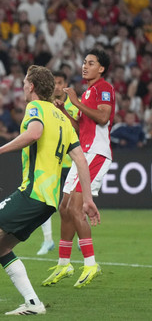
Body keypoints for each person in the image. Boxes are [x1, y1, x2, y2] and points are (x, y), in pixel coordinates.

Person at [0, 65, 100, 315]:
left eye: (24, 82)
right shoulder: (62, 118)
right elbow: (81, 160)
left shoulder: (36, 108)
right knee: (1, 248)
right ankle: (33, 303)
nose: (22, 86)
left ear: (31, 86)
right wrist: (87, 199)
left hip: (33, 192)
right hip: (50, 201)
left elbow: (34, 133)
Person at [43, 49, 114, 288]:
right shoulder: (86, 93)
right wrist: (65, 110)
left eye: (91, 63)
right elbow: (80, 127)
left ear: (101, 68)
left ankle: (91, 263)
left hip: (96, 153)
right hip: (83, 154)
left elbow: (103, 118)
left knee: (75, 207)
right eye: (84, 62)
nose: (85, 66)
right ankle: (64, 264)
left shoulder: (104, 88)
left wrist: (74, 102)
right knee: (64, 207)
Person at [37, 71, 78, 255]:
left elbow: (78, 130)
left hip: (72, 163)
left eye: (60, 82)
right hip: (53, 163)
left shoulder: (74, 106)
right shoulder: (46, 106)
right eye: (54, 83)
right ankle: (47, 240)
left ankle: (77, 238)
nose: (57, 86)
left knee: (72, 205)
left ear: (66, 84)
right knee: (46, 201)